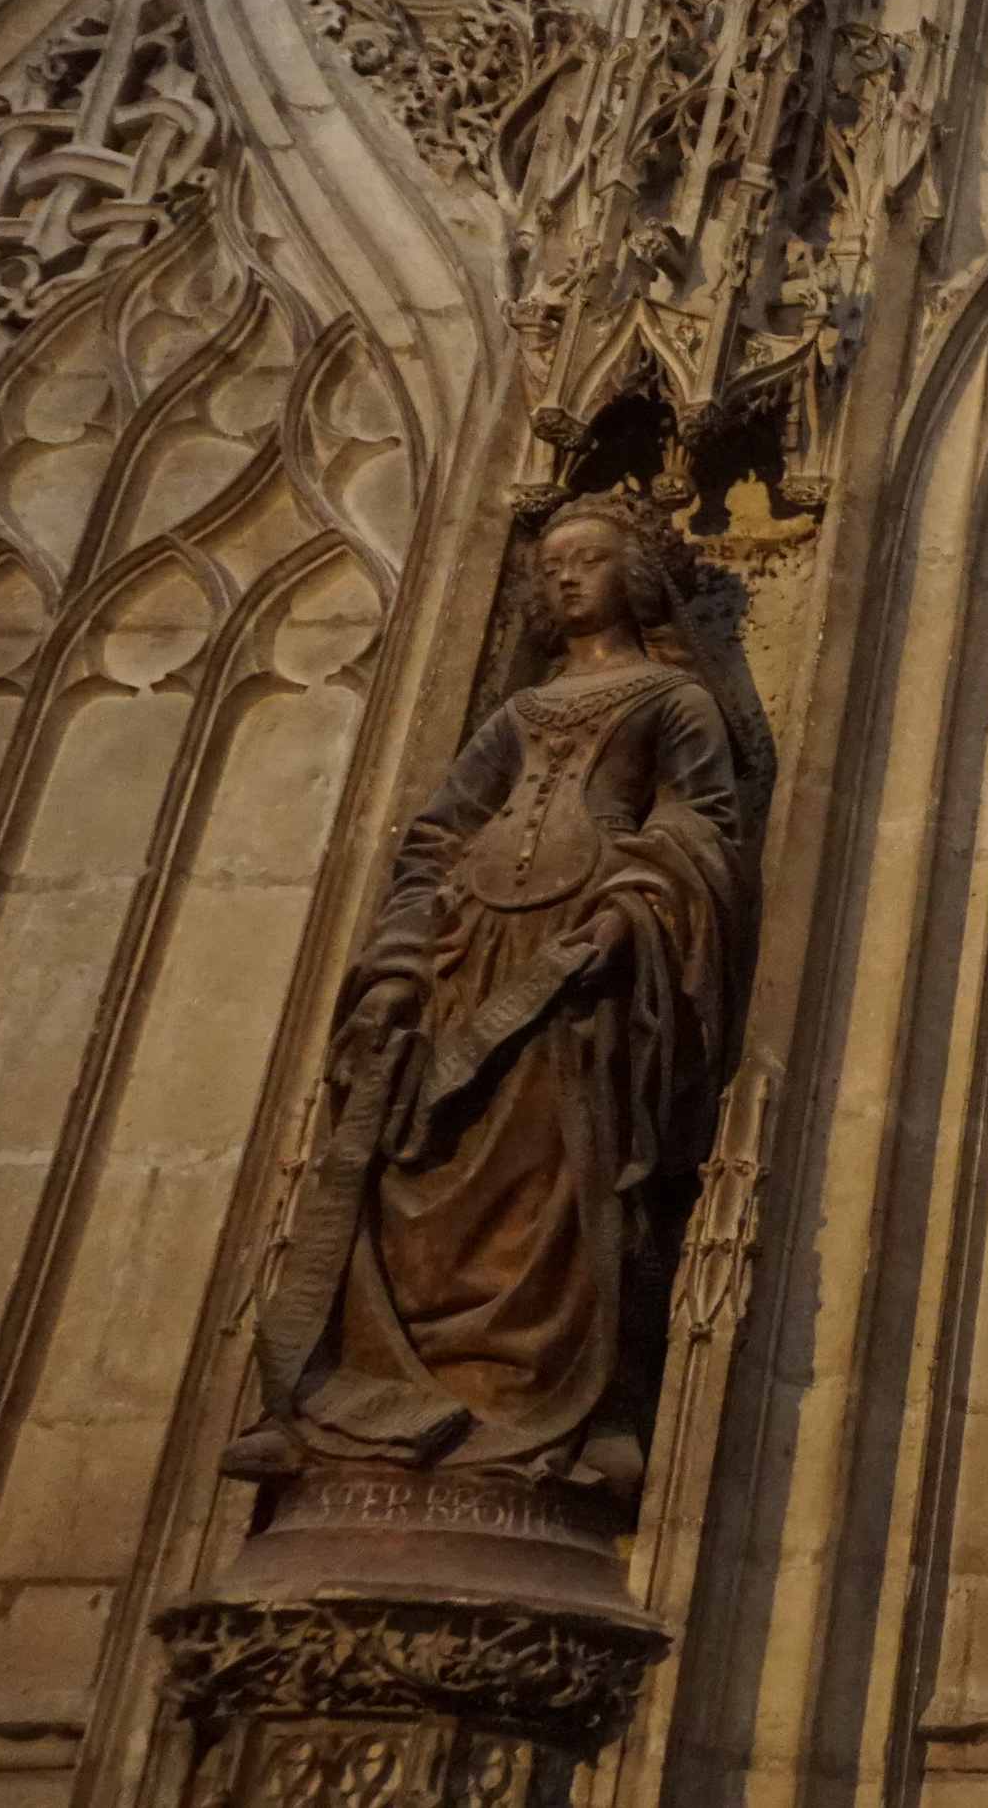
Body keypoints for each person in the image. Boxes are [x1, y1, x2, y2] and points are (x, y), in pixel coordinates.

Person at [227, 493, 743, 1509]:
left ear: (633, 577)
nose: (563, 576)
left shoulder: (672, 702)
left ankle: (557, 1407)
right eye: (551, 563)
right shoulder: (518, 712)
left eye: (588, 560)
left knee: (560, 1177)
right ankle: (354, 1406)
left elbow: (706, 827)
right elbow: (435, 834)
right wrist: (399, 959)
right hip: (472, 955)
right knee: (414, 1163)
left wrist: (631, 912)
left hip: (581, 969)